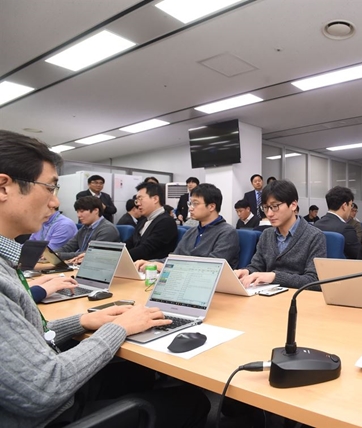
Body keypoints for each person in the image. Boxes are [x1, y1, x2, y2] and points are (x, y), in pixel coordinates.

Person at [0, 130, 209, 427]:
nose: (55, 203)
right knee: (193, 401)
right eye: (49, 188)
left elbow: (25, 336)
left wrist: (81, 322)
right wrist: (119, 327)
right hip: (50, 415)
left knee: (132, 371)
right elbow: (44, 389)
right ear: (4, 187)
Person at [234, 180, 326, 289]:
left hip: (298, 299)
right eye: (266, 208)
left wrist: (275, 277)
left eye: (275, 206)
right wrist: (247, 271)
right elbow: (257, 266)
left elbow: (314, 280)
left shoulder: (314, 236)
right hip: (267, 296)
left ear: (293, 205)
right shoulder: (267, 234)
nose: (269, 214)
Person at [135, 183, 239, 271]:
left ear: (211, 206)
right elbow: (174, 258)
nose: (190, 208)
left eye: (195, 204)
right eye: (190, 204)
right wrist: (151, 262)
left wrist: (165, 267)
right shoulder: (191, 232)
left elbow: (211, 268)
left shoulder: (227, 232)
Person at [55, 196, 120, 262]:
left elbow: (90, 253)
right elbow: (69, 247)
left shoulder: (107, 229)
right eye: (77, 212)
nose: (79, 215)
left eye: (82, 211)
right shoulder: (84, 228)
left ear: (96, 211)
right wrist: (53, 254)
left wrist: (59, 255)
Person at [126, 182, 178, 261]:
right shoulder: (143, 221)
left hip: (152, 268)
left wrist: (121, 258)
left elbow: (146, 249)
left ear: (155, 199)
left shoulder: (166, 222)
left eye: (140, 199)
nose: (138, 204)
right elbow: (129, 243)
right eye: (136, 200)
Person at [313, 186, 361, 259]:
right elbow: (358, 257)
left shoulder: (315, 225)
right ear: (344, 206)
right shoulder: (347, 230)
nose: (351, 209)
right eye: (351, 205)